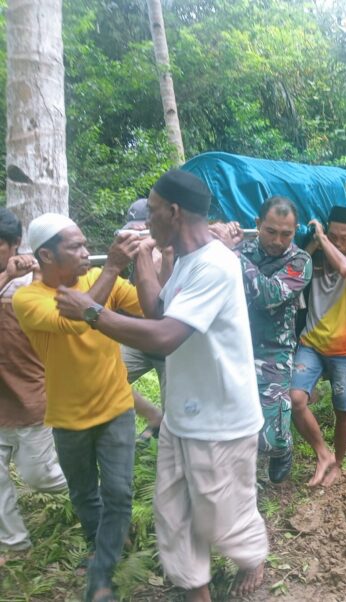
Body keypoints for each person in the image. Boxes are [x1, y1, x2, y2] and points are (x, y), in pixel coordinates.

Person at [53, 170, 268, 601]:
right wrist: (139, 259)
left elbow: (166, 336)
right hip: (183, 415)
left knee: (219, 519)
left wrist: (91, 311)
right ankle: (197, 590)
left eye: (151, 211)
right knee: (174, 512)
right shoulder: (187, 260)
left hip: (223, 419)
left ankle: (251, 555)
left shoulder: (216, 265)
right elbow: (157, 310)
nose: (146, 219)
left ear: (173, 212)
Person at [12, 213, 142, 602]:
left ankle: (100, 577)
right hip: (68, 418)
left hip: (116, 407)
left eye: (87, 245)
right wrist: (116, 264)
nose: (87, 253)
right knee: (85, 494)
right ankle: (99, 542)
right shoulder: (28, 298)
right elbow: (77, 322)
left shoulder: (100, 281)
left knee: (118, 493)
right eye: (77, 247)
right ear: (46, 256)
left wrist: (159, 255)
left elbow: (149, 304)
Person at [212, 197, 312, 484]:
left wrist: (232, 253)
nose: (278, 240)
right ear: (257, 225)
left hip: (273, 352)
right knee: (230, 423)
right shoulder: (242, 248)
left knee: (270, 440)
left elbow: (268, 296)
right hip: (233, 345)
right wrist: (219, 235)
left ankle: (283, 448)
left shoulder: (299, 261)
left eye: (286, 234)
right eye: (271, 231)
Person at [0, 209, 67, 559]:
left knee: (41, 477)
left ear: (14, 246)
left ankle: (100, 496)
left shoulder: (27, 288)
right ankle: (15, 544)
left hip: (30, 400)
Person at [289, 206, 346, 487]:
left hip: (344, 350)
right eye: (332, 235)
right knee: (296, 399)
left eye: (343, 237)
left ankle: (337, 461)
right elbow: (293, 268)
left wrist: (324, 240)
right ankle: (323, 454)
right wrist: (313, 242)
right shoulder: (315, 255)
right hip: (310, 342)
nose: (337, 241)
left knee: (342, 411)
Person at [118, 198, 166, 442]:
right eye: (133, 230)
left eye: (143, 230)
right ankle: (153, 416)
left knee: (179, 415)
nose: (137, 236)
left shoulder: (170, 253)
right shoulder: (133, 254)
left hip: (169, 343)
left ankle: (162, 429)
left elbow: (159, 307)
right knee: (107, 378)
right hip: (140, 337)